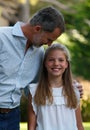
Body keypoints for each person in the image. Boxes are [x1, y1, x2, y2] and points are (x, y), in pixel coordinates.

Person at [0, 6, 83, 130]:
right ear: (38, 29)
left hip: (12, 115)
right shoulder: (2, 38)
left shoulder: (39, 53)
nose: (49, 44)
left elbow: (43, 83)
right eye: (49, 39)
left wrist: (71, 85)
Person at [28, 43, 84, 130]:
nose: (56, 63)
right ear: (45, 63)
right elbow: (31, 127)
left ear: (66, 64)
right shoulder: (34, 91)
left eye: (61, 60)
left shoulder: (74, 90)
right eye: (51, 60)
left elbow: (79, 126)